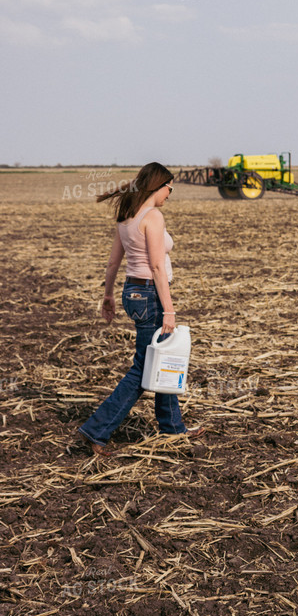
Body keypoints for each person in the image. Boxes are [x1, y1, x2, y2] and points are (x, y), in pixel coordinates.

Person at [78, 162, 205, 456]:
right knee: (145, 366)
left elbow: (113, 263)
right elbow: (158, 266)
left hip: (131, 292)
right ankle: (97, 429)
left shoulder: (126, 216)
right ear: (158, 186)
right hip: (150, 294)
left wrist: (108, 296)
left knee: (162, 359)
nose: (170, 195)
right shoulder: (153, 217)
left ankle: (173, 429)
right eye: (169, 189)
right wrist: (169, 310)